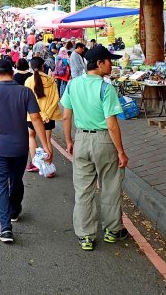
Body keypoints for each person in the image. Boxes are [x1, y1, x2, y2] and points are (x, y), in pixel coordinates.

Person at [0, 59, 53, 243]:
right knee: (16, 179)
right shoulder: (25, 92)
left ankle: (5, 229)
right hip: (20, 147)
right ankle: (15, 209)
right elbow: (36, 120)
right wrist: (46, 146)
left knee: (0, 185)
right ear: (12, 71)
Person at [60, 45, 129, 251]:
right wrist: (121, 151)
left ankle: (86, 236)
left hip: (81, 139)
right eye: (109, 60)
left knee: (83, 190)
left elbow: (66, 115)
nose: (111, 64)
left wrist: (69, 141)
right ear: (99, 64)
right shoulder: (106, 88)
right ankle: (112, 230)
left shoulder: (72, 85)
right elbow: (111, 124)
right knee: (110, 186)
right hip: (104, 141)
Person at [25, 57, 61, 173]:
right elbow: (56, 99)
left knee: (31, 136)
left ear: (31, 67)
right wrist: (46, 114)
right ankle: (49, 167)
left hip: (33, 116)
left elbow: (28, 101)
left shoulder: (29, 81)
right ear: (43, 66)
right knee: (47, 140)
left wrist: (40, 113)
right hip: (49, 117)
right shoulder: (51, 81)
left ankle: (35, 164)